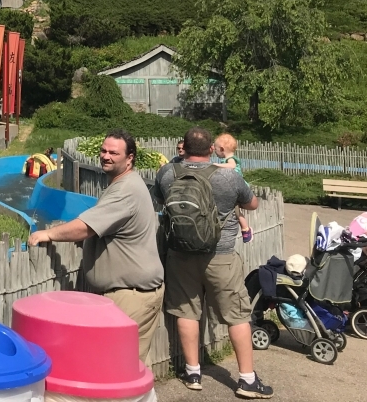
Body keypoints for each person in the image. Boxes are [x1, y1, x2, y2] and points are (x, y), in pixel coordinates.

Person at [155, 127, 272, 399]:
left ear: (183, 145)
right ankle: (247, 380)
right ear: (211, 149)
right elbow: (252, 204)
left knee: (186, 311)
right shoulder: (228, 177)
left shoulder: (168, 173)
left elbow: (161, 202)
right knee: (237, 315)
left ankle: (193, 372)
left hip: (180, 254)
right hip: (221, 256)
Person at [28, 129, 164, 363]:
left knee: (116, 367)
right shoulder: (124, 184)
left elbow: (85, 227)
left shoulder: (125, 190)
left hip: (130, 296)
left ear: (129, 158)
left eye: (114, 152)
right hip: (133, 291)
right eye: (103, 150)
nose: (106, 156)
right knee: (129, 369)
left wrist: (49, 233)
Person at [213, 134, 252, 243]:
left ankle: (246, 229)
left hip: (235, 186)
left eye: (215, 149)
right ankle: (245, 229)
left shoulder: (230, 159)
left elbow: (232, 166)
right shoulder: (228, 159)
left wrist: (217, 165)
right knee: (236, 209)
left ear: (221, 149)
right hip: (235, 185)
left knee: (236, 209)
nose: (215, 152)